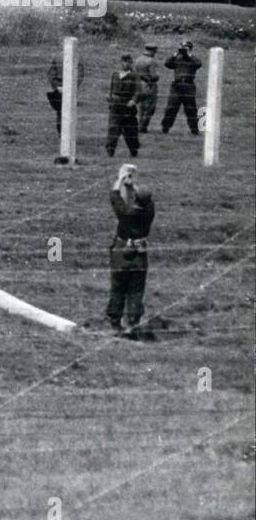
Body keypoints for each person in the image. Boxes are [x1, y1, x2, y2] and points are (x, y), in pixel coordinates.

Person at [107, 163, 154, 335]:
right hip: (140, 251)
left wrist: (120, 179)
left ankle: (115, 321)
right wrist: (133, 184)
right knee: (136, 289)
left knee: (118, 287)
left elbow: (114, 197)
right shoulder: (149, 211)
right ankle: (133, 322)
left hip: (122, 249)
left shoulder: (126, 214)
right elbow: (145, 199)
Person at [160, 41, 202, 135]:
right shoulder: (177, 58)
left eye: (185, 48)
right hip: (176, 86)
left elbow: (199, 64)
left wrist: (189, 54)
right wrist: (175, 53)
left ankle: (194, 130)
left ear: (190, 49)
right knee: (171, 108)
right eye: (182, 48)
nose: (183, 50)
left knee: (190, 109)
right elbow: (167, 63)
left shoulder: (192, 60)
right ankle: (165, 128)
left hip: (188, 85)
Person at [105, 52, 141, 157]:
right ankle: (110, 151)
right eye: (123, 62)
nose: (125, 64)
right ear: (121, 62)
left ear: (131, 63)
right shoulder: (115, 74)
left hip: (127, 106)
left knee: (130, 131)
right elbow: (112, 89)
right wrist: (110, 99)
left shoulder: (134, 76)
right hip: (116, 105)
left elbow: (138, 91)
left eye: (128, 62)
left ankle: (133, 151)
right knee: (113, 129)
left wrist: (134, 100)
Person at [45, 50, 85, 134]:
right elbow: (51, 74)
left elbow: (80, 75)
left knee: (66, 111)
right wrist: (59, 87)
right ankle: (63, 132)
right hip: (62, 87)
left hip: (67, 87)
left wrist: (66, 87)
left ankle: (65, 132)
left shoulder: (76, 58)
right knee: (62, 111)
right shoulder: (59, 58)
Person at [132, 43, 160, 134]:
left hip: (139, 85)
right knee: (150, 108)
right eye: (155, 51)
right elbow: (154, 76)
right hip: (149, 85)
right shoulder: (151, 61)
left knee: (142, 107)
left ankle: (140, 125)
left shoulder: (138, 59)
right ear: (152, 51)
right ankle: (143, 127)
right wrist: (157, 77)